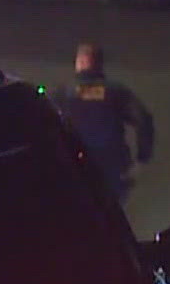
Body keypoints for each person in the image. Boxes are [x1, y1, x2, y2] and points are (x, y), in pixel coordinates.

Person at [51, 42, 155, 199]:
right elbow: (143, 120)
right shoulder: (116, 91)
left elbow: (43, 124)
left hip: (74, 167)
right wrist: (142, 158)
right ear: (99, 64)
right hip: (112, 166)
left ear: (80, 63)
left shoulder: (63, 93)